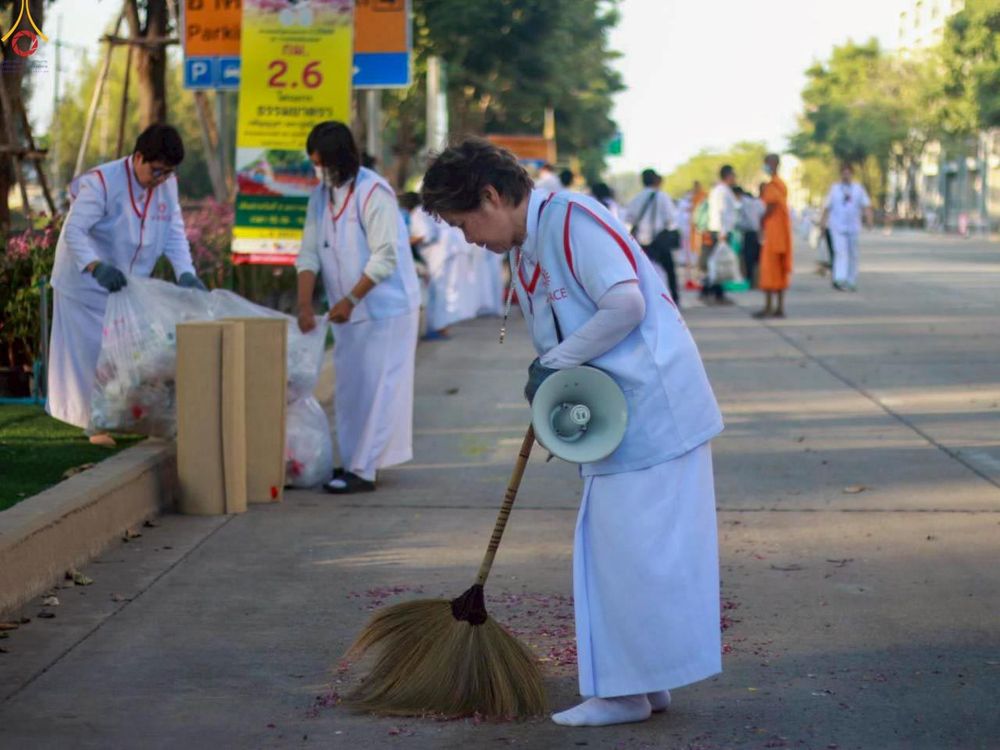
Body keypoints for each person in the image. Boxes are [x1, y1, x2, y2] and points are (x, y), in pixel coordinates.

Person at [421, 139, 723, 728]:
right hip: (623, 418)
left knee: (618, 553)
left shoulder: (571, 220)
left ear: (492, 196)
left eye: (464, 223)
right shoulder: (527, 245)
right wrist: (553, 389)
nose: (468, 239)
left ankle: (623, 695)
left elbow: (625, 305)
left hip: (654, 411)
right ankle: (645, 682)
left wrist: (555, 364)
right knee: (631, 554)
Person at [48, 123, 206, 446]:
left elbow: (173, 231)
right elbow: (74, 231)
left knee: (129, 356)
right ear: (138, 157)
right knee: (90, 354)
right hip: (85, 283)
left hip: (126, 286)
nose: (161, 179)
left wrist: (185, 272)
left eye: (168, 172)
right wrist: (94, 266)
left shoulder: (167, 185)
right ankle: (93, 425)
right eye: (157, 171)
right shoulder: (102, 183)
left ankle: (124, 417)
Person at [296, 121, 420, 494]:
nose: (318, 171)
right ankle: (351, 461)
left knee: (380, 389)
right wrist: (303, 304)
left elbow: (384, 257)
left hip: (386, 309)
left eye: (322, 164)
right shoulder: (320, 197)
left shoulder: (373, 192)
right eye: (314, 164)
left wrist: (351, 299)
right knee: (351, 390)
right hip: (346, 311)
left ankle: (364, 470)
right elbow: (308, 253)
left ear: (341, 160)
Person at [623, 169, 680, 304]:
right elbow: (670, 218)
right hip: (659, 239)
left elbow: (629, 218)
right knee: (669, 270)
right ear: (655, 180)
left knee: (643, 272)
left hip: (641, 241)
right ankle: (673, 298)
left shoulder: (636, 198)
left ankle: (644, 298)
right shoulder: (662, 197)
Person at [821, 164, 872, 291]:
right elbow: (827, 207)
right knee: (840, 252)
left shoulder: (858, 189)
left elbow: (866, 205)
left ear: (852, 174)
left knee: (853, 254)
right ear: (841, 174)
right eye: (844, 173)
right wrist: (823, 223)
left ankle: (851, 280)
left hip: (853, 226)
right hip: (837, 226)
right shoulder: (834, 189)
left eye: (848, 173)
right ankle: (839, 278)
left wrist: (869, 219)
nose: (846, 175)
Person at [756, 154, 794, 317]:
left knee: (770, 270)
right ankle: (777, 307)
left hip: (774, 234)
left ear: (773, 164)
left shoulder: (773, 185)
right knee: (778, 270)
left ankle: (771, 307)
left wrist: (761, 220)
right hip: (780, 233)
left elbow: (771, 205)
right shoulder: (779, 184)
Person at [701, 165, 737, 304]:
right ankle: (712, 293)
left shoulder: (721, 190)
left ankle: (715, 293)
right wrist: (723, 233)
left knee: (717, 262)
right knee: (717, 263)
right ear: (728, 175)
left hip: (720, 230)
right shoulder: (722, 191)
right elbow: (721, 212)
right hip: (720, 231)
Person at [736, 185, 764, 289]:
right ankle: (757, 282)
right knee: (757, 259)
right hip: (758, 234)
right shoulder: (759, 203)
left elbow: (745, 221)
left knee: (749, 259)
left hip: (749, 234)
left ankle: (750, 281)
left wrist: (737, 225)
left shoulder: (744, 203)